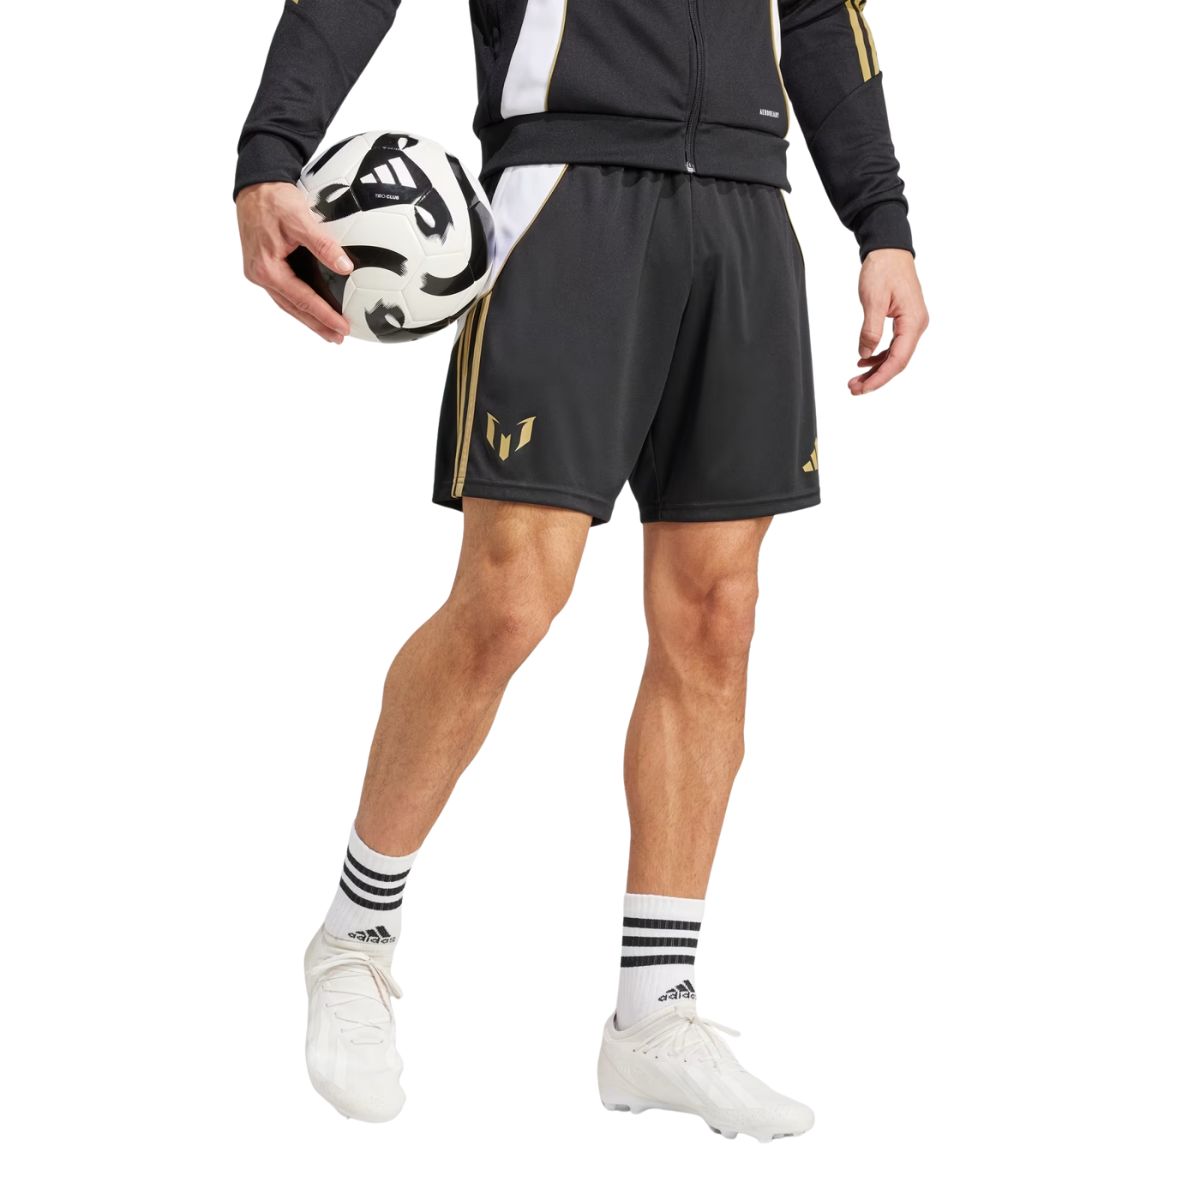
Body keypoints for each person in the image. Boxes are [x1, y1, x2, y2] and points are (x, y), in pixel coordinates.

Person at [234, 0, 928, 1139]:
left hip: (747, 204)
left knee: (718, 617)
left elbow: (817, 12)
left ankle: (654, 1015)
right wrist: (272, 150)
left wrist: (881, 221)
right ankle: (353, 940)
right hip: (568, 197)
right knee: (511, 598)